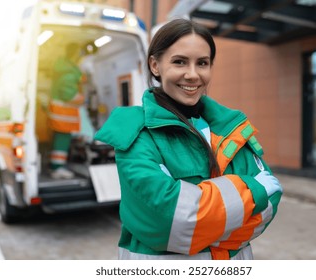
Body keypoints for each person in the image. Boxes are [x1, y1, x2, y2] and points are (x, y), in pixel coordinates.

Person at [94, 18, 283, 260]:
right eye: (179, 62)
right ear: (155, 65)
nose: (192, 75)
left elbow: (272, 203)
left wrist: (205, 218)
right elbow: (167, 220)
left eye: (202, 63)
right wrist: (252, 193)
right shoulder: (137, 133)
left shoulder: (231, 127)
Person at [48, 43, 85, 179]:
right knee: (62, 141)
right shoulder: (69, 72)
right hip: (63, 115)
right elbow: (68, 94)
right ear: (75, 55)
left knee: (60, 140)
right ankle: (57, 168)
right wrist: (82, 98)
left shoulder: (64, 70)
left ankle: (57, 166)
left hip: (60, 114)